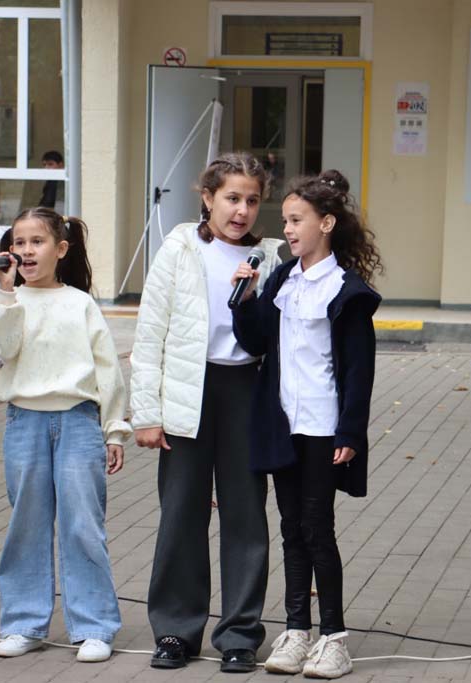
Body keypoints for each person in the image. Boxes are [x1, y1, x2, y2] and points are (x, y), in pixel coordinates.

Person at [129, 152, 284, 673]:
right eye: (231, 198)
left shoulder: (271, 257)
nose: (241, 211)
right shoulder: (178, 249)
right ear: (208, 197)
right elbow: (151, 333)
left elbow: (277, 337)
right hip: (186, 392)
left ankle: (239, 633)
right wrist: (146, 413)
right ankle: (175, 629)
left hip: (246, 391)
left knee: (245, 515)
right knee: (181, 513)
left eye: (252, 200)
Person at [231, 170, 382, 679]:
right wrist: (246, 297)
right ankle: (297, 630)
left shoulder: (346, 291)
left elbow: (359, 372)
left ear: (327, 223)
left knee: (318, 528)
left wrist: (350, 433)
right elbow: (255, 343)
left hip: (323, 426)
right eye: (287, 221)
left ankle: (333, 636)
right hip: (284, 423)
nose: (288, 230)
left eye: (297, 221)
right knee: (290, 527)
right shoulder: (283, 280)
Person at [0, 207, 131, 663]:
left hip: (79, 422)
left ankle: (95, 626)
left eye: (37, 242)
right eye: (19, 242)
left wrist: (115, 430)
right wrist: (6, 295)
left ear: (60, 250)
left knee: (84, 525)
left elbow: (108, 370)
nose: (26, 251)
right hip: (24, 422)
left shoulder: (79, 303)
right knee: (26, 524)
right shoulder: (3, 304)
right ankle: (25, 623)